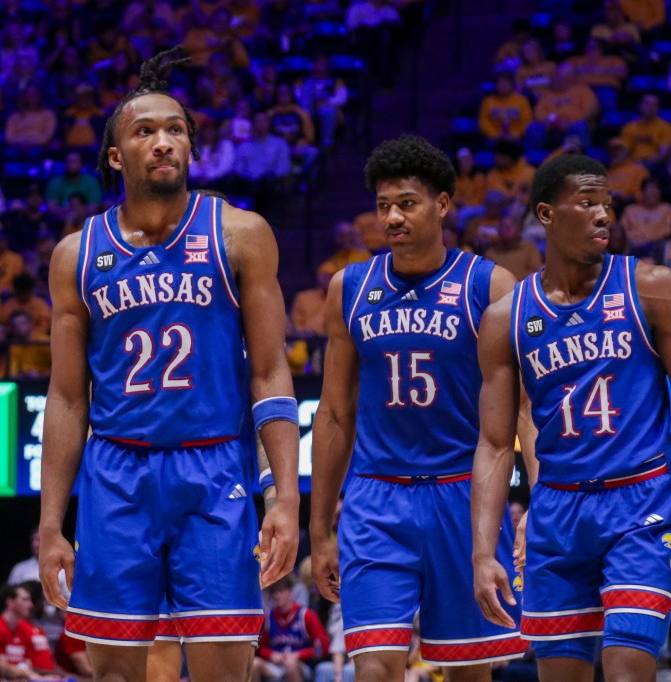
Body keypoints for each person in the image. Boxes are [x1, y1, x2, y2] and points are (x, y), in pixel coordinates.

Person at [39, 47, 300, 682]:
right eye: (144, 131)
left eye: (176, 129)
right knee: (115, 673)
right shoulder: (77, 255)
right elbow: (69, 398)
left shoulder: (240, 233)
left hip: (213, 470)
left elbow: (269, 373)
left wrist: (286, 497)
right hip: (116, 472)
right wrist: (50, 524)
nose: (163, 142)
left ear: (192, 147)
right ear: (114, 156)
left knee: (222, 670)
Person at [310, 135, 528, 680]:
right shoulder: (351, 288)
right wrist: (319, 529)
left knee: (467, 672)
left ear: (444, 204)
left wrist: (541, 503)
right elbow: (335, 414)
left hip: (465, 494)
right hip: (377, 497)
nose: (393, 217)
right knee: (376, 667)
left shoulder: (489, 284)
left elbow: (524, 411)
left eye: (407, 203)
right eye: (384, 206)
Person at [472, 154, 671, 682]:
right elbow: (494, 445)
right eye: (587, 203)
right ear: (546, 213)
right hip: (557, 511)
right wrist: (481, 552)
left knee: (629, 668)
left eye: (608, 204)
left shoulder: (651, 288)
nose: (604, 215)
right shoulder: (505, 317)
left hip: (640, 503)